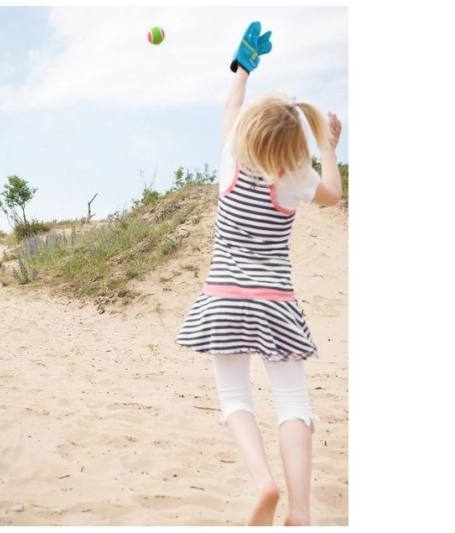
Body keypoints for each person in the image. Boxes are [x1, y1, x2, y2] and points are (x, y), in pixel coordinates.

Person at [175, 22, 343, 526]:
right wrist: (329, 147)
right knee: (292, 402)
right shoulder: (297, 177)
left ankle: (264, 484)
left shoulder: (231, 156)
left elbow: (232, 106)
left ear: (250, 131)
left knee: (234, 397)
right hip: (276, 302)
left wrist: (243, 67)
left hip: (224, 296)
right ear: (294, 144)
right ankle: (301, 511)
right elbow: (334, 196)